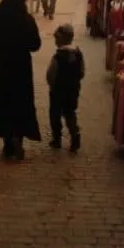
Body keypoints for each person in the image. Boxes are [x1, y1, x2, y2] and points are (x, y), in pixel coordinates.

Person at [0, 0, 42, 159]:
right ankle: (19, 138)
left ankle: (8, 141)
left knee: (3, 101)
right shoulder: (26, 19)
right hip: (20, 65)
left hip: (1, 64)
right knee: (21, 101)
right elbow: (35, 44)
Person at [46, 24, 85, 152]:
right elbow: (82, 72)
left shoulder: (58, 56)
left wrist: (51, 84)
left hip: (57, 91)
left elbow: (51, 74)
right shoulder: (78, 55)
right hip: (73, 90)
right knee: (70, 113)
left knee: (55, 115)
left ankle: (57, 139)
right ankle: (75, 135)